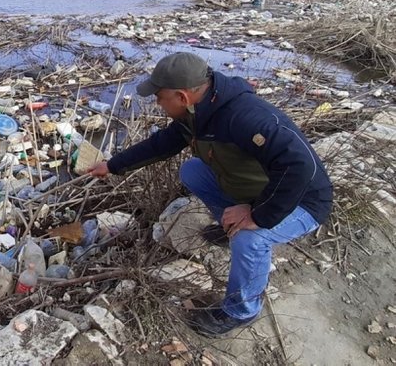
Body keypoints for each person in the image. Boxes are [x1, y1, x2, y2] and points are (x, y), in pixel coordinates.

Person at [88, 52, 333, 337]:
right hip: (263, 188)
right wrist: (112, 166)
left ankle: (242, 310)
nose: (157, 103)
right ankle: (231, 228)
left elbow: (300, 166)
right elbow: (161, 144)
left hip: (303, 202)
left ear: (182, 96)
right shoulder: (198, 112)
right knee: (192, 171)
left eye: (159, 97)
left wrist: (257, 216)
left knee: (250, 238)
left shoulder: (245, 117)